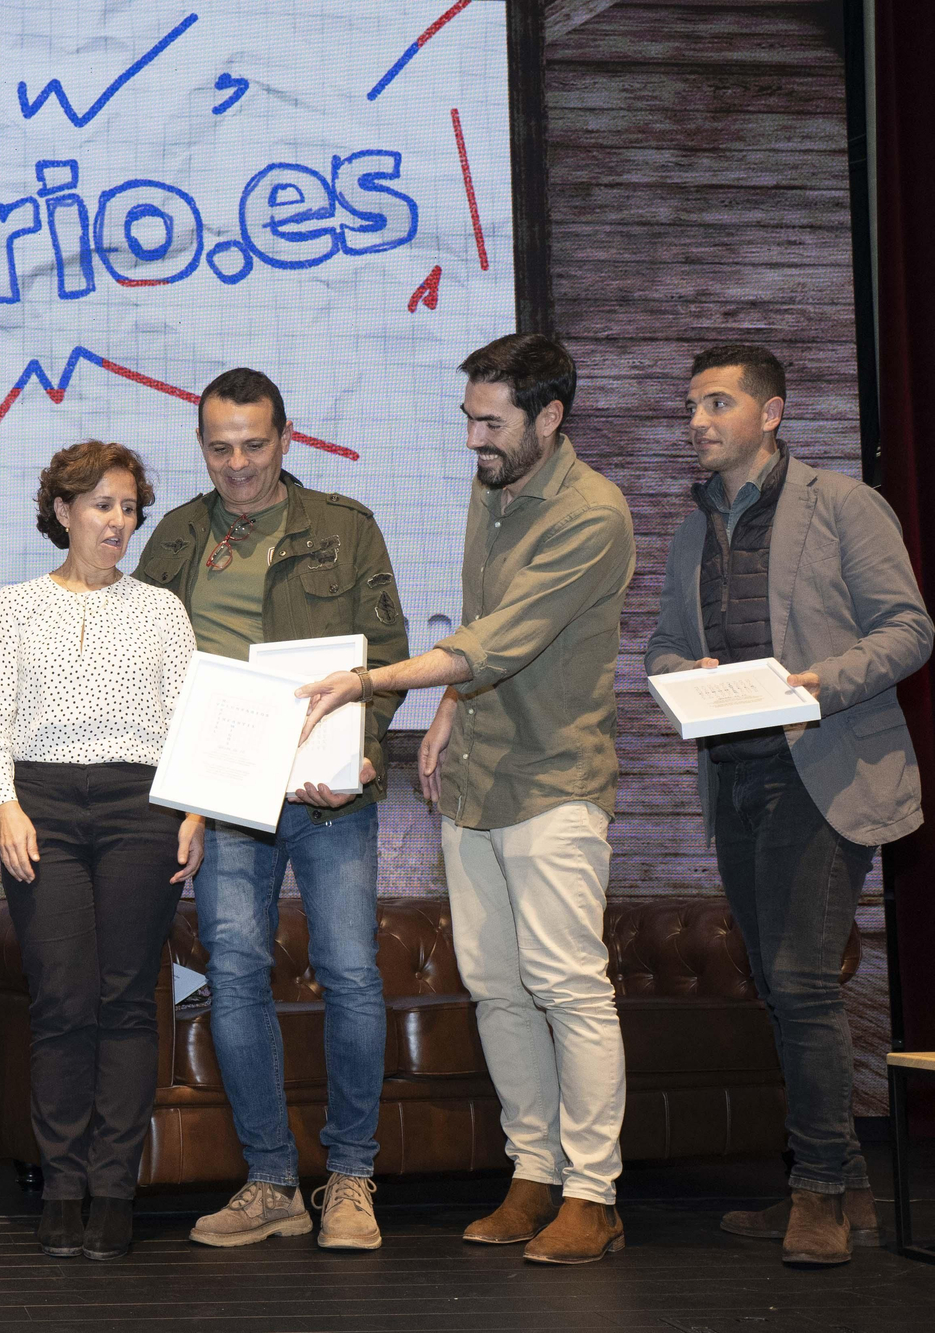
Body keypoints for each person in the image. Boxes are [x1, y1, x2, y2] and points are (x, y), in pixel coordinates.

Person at [298, 335, 635, 1265]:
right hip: (479, 778)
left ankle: (593, 1193)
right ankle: (534, 1174)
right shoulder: (494, 488)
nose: (473, 440)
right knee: (496, 987)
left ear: (549, 417)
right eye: (468, 420)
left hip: (555, 781)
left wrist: (372, 681)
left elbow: (505, 638)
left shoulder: (593, 513)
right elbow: (483, 626)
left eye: (491, 423)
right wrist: (448, 710)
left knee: (569, 986)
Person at [646, 345, 931, 1267]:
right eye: (691, 406)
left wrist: (819, 683)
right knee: (779, 983)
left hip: (823, 769)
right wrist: (682, 673)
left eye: (716, 403)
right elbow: (660, 647)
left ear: (770, 413)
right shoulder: (692, 528)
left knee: (803, 979)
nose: (697, 421)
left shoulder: (842, 504)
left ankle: (818, 1195)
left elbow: (909, 628)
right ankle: (845, 1184)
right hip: (735, 775)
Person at [133, 369, 408, 1251]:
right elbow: (148, 663)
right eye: (220, 447)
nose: (239, 464)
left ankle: (352, 1177)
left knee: (351, 972)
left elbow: (385, 656)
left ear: (286, 438)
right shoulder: (175, 536)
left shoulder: (345, 526)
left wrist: (365, 749)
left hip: (330, 793)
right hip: (223, 797)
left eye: (255, 444)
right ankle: (272, 1182)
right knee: (238, 973)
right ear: (201, 445)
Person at [0, 440, 202, 1262]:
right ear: (64, 510)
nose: (117, 521)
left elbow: (190, 721)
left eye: (128, 506)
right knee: (63, 998)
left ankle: (113, 1189)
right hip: (43, 806)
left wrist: (196, 811)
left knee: (125, 998)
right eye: (102, 504)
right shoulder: (14, 606)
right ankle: (62, 1185)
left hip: (144, 806)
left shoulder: (163, 609)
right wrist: (3, 804)